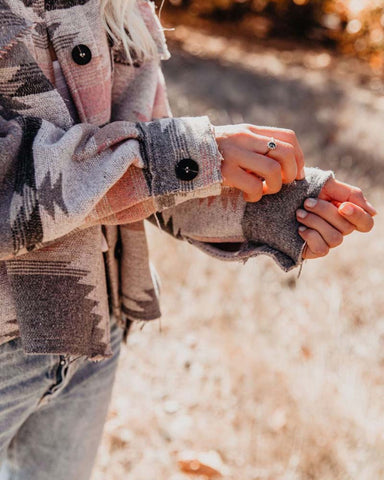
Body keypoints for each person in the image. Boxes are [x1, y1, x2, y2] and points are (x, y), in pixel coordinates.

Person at [0, 0, 376, 479]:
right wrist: (187, 154)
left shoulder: (118, 7)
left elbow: (145, 180)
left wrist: (286, 205)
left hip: (94, 330)